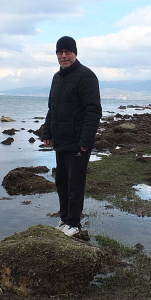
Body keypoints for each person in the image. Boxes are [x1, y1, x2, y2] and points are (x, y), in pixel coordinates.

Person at [41, 36, 102, 236]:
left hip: (78, 143)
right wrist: (47, 132)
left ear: (75, 53)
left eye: (68, 52)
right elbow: (53, 109)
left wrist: (86, 141)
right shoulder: (57, 78)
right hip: (61, 141)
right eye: (60, 52)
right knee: (62, 182)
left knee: (75, 183)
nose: (64, 56)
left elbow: (93, 111)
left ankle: (74, 224)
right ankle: (64, 219)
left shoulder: (86, 76)